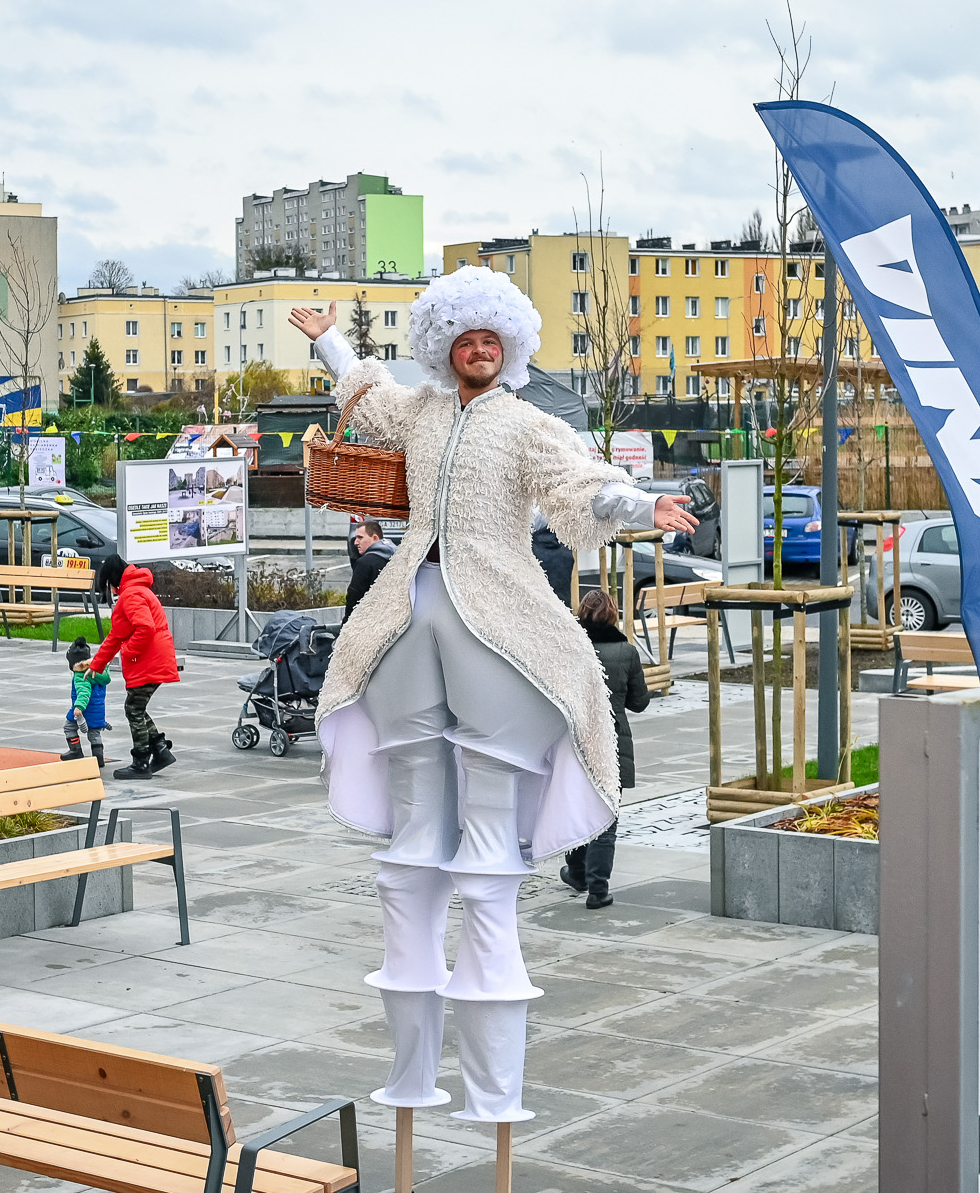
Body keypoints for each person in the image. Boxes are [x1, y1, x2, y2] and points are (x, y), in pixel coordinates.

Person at [288, 267, 696, 1127]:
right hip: (411, 604)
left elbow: (578, 482)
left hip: (495, 602)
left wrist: (637, 502)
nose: (478, 350)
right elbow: (367, 397)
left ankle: (489, 1091)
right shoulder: (424, 411)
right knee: (416, 828)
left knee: (483, 840)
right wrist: (328, 338)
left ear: (507, 347)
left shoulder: (524, 422)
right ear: (447, 345)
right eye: (465, 339)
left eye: (491, 340)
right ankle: (412, 1075)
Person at [561, 590, 648, 909]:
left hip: (575, 740)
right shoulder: (626, 652)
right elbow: (639, 703)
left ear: (580, 614)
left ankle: (577, 872)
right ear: (613, 614)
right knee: (605, 816)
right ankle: (598, 889)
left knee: (576, 811)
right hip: (613, 743)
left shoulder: (570, 650)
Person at [79, 559, 179, 779]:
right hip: (155, 658)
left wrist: (128, 652)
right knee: (136, 707)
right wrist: (97, 664)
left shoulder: (131, 595)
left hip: (150, 660)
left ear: (113, 581)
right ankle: (160, 750)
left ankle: (141, 762)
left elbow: (145, 628)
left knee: (133, 708)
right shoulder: (135, 591)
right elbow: (116, 635)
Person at [61, 636, 112, 765]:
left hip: (83, 710)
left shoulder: (80, 675)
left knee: (69, 727)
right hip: (98, 710)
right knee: (94, 734)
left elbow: (84, 693)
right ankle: (98, 759)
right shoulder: (99, 670)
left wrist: (79, 707)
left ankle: (75, 750)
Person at [345, 519, 394, 613]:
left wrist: (346, 624)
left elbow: (354, 597)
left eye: (360, 537)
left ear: (375, 538)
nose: (355, 542)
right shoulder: (396, 557)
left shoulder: (365, 563)